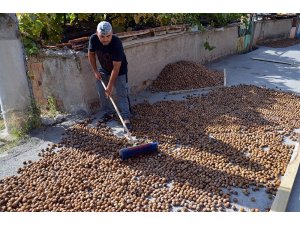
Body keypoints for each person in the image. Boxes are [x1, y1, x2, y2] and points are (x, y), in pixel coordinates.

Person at [88, 21, 132, 132]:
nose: (105, 39)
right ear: (97, 34)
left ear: (112, 33)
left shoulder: (116, 43)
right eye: (102, 36)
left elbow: (116, 67)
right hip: (103, 69)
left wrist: (110, 85)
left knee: (122, 93)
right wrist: (95, 71)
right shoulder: (93, 39)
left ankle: (126, 117)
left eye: (108, 36)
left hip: (120, 70)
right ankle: (108, 113)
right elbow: (91, 54)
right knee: (102, 91)